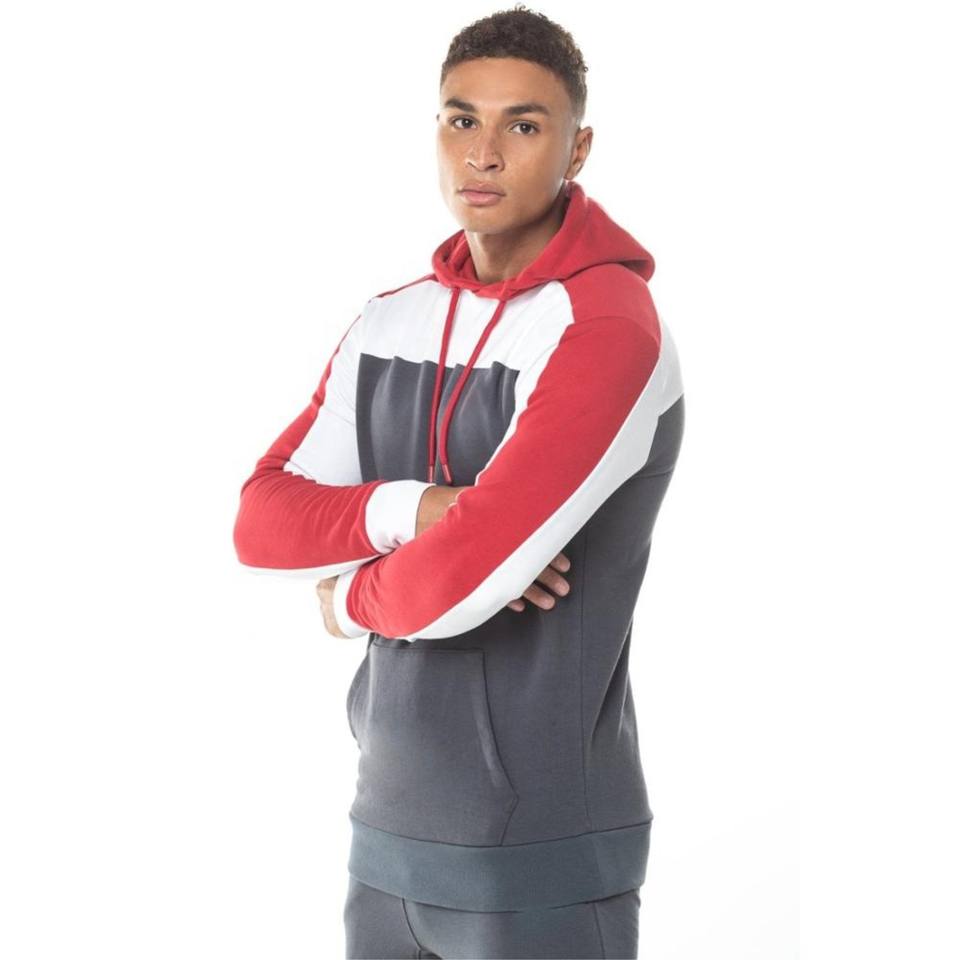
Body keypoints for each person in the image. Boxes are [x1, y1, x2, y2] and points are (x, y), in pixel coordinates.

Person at [233, 6, 685, 958]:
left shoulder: (607, 325)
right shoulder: (390, 319)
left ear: (577, 148)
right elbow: (262, 522)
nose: (482, 153)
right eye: (460, 119)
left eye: (523, 124)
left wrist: (344, 598)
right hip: (385, 835)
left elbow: (466, 575)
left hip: (542, 857)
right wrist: (415, 509)